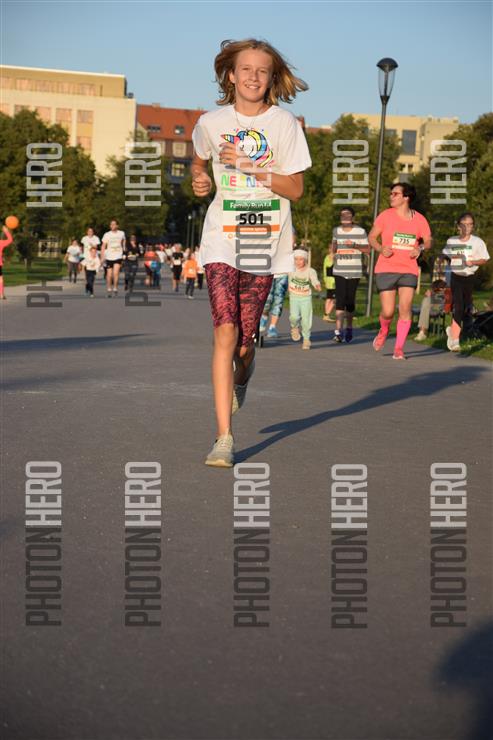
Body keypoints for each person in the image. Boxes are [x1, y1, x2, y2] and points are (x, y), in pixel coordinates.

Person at [191, 38, 311, 466]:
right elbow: (199, 160)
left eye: (262, 70)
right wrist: (200, 179)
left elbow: (295, 189)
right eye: (246, 69)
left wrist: (250, 166)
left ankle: (244, 372)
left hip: (264, 239)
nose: (253, 77)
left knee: (243, 345)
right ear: (231, 75)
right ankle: (224, 438)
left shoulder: (284, 125)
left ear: (272, 78)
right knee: (225, 332)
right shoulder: (211, 123)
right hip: (221, 237)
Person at [368, 183, 432, 359]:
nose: (391, 196)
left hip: (408, 270)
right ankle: (384, 330)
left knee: (405, 308)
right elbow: (371, 237)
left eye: (395, 194)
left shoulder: (419, 219)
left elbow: (428, 240)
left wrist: (420, 248)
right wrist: (380, 248)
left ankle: (398, 349)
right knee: (388, 311)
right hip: (386, 268)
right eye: (391, 193)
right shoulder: (385, 216)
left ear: (406, 197)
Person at [442, 212, 490, 352]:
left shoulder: (477, 242)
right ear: (458, 226)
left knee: (465, 307)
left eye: (470, 225)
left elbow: (484, 259)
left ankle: (452, 331)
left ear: (473, 226)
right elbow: (446, 255)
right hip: (456, 276)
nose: (467, 227)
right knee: (458, 306)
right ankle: (455, 340)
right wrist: (453, 260)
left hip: (469, 277)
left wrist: (473, 262)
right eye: (464, 224)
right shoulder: (452, 241)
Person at [331, 207, 369, 343]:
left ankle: (349, 327)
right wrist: (332, 252)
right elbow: (334, 245)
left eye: (347, 215)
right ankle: (338, 332)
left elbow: (368, 249)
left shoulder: (360, 231)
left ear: (352, 218)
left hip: (354, 271)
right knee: (340, 300)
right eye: (342, 215)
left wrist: (354, 245)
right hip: (339, 270)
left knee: (349, 301)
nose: (344, 217)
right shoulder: (336, 231)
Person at [288, 249, 321, 350]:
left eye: (301, 259)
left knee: (306, 320)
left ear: (305, 260)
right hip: (294, 297)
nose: (298, 262)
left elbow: (314, 279)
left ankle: (306, 339)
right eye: (296, 259)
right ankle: (294, 327)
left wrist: (317, 285)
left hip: (306, 298)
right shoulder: (291, 269)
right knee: (294, 317)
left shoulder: (310, 271)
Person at [101, 219, 126, 297]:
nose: (112, 226)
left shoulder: (121, 233)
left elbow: (123, 242)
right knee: (109, 274)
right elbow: (103, 246)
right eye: (111, 224)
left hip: (118, 255)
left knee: (116, 273)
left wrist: (124, 252)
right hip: (109, 256)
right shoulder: (107, 234)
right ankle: (109, 288)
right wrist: (102, 256)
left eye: (114, 224)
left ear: (117, 225)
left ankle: (115, 287)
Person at [322, 244, 336, 322]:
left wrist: (325, 279)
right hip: (333, 282)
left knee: (329, 298)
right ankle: (326, 315)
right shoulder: (332, 258)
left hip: (329, 281)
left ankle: (326, 315)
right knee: (333, 299)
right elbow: (329, 268)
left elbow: (325, 270)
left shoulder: (326, 257)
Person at [0, 225, 13, 300]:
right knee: (0, 279)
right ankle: (1, 294)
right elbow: (10, 240)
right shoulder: (0, 243)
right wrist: (6, 231)